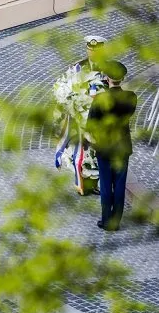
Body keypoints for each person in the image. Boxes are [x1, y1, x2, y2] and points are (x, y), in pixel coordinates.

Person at [54, 35, 109, 195]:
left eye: (96, 50)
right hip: (79, 117)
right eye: (90, 50)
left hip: (98, 118)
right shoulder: (77, 68)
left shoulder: (108, 69)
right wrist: (71, 100)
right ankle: (82, 183)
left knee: (96, 151)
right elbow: (60, 85)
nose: (92, 53)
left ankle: (95, 182)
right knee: (80, 152)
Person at [86, 61, 137, 232]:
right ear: (122, 79)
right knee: (120, 184)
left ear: (107, 78)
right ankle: (116, 220)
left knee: (106, 184)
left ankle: (106, 220)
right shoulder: (131, 97)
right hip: (122, 146)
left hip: (104, 147)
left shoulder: (100, 99)